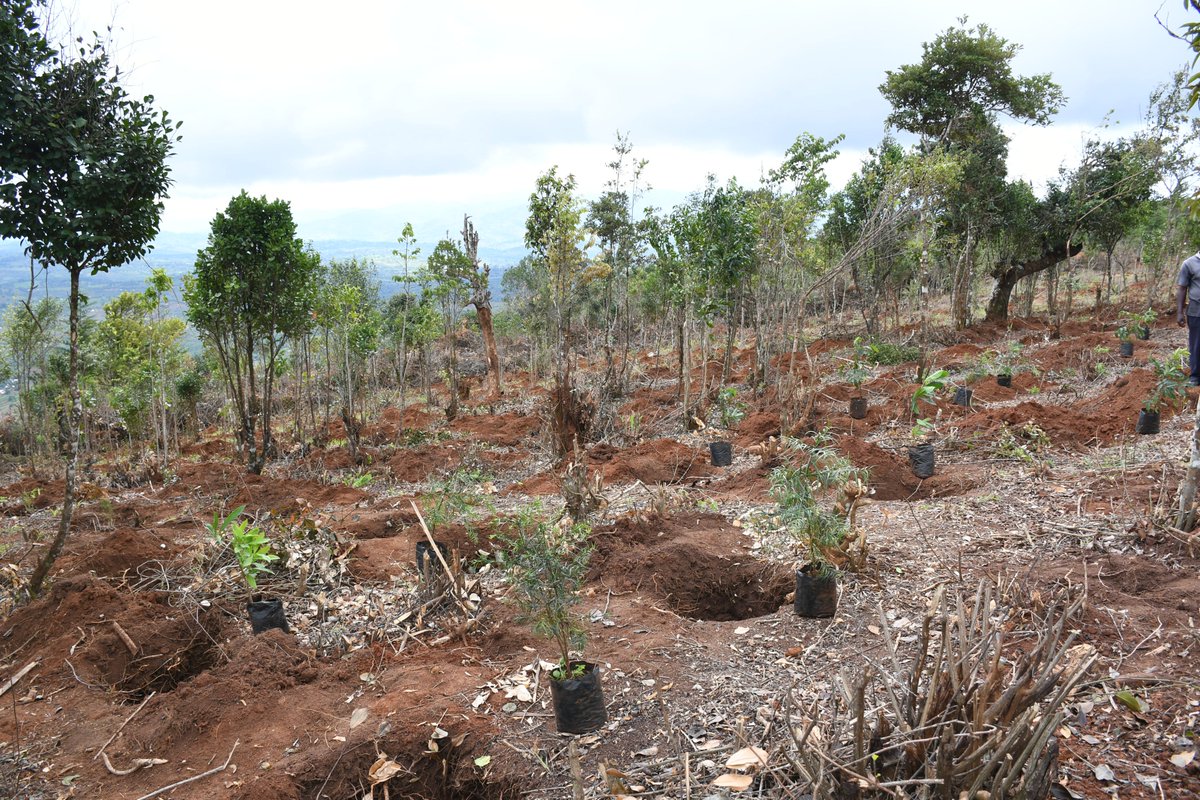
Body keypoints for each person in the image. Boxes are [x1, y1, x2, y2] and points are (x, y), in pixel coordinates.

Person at [1177, 249, 1200, 386]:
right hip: (1197, 311)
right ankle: (1195, 376)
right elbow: (1182, 288)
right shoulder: (1189, 264)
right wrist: (1179, 312)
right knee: (1197, 344)